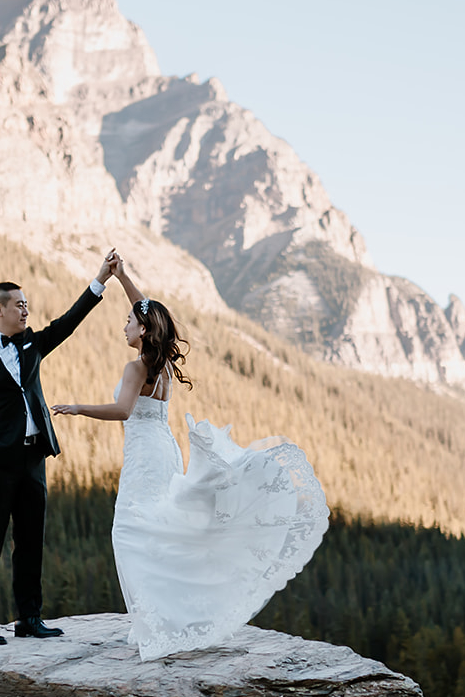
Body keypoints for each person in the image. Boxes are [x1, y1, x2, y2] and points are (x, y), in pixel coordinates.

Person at [51, 258, 329, 660]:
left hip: (145, 454)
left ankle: (155, 622)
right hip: (164, 448)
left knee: (129, 531)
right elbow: (148, 310)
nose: (123, 325)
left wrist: (77, 407)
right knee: (158, 528)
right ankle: (164, 616)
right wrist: (122, 277)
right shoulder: (160, 363)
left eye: (129, 321)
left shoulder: (136, 368)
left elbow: (123, 410)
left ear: (143, 330)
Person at [0, 251, 118, 645]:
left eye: (27, 304)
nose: (26, 310)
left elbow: (68, 322)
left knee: (30, 542)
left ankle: (29, 618)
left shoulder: (32, 343)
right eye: (19, 305)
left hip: (33, 458)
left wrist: (100, 280)